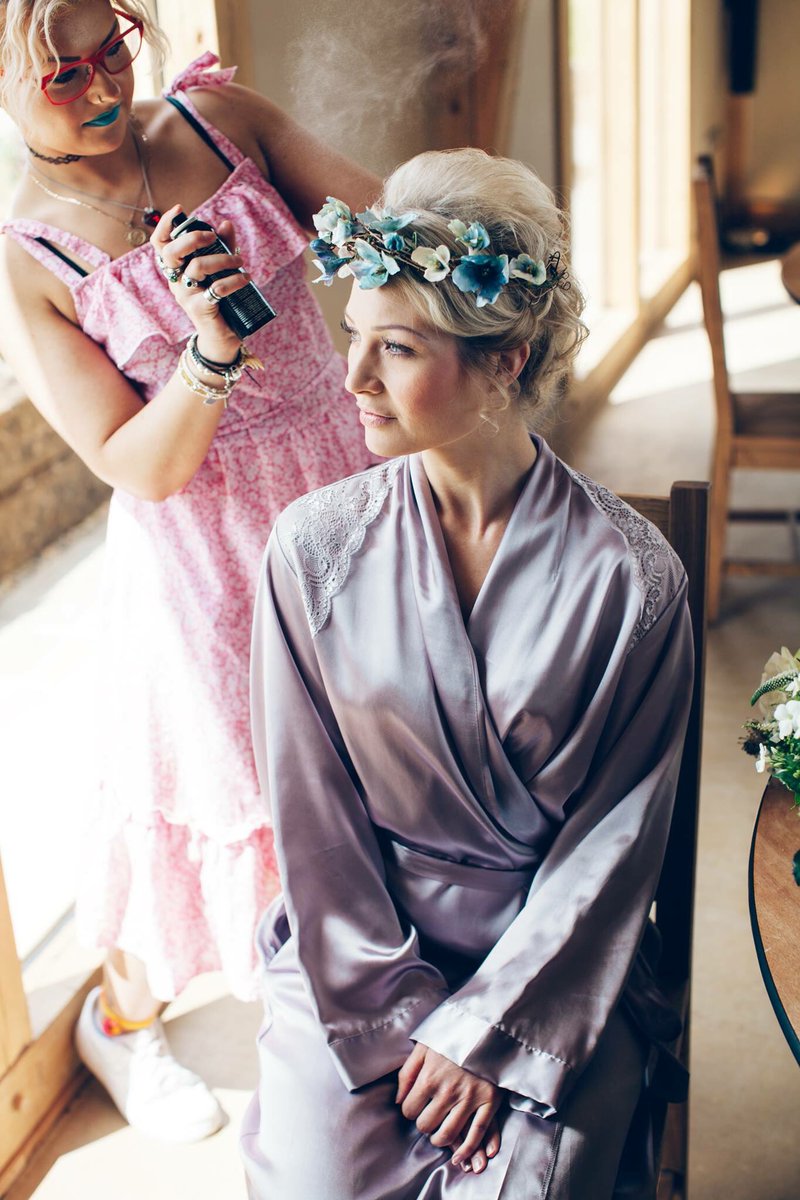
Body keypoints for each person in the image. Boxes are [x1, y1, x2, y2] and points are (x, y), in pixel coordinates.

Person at [243, 148, 694, 1198]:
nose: (353, 379)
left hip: (550, 977)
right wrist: (399, 1019)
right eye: (353, 338)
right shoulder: (310, 550)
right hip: (351, 963)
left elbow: (613, 846)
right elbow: (312, 825)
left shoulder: (634, 583)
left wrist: (486, 1029)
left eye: (395, 348)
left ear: (507, 356)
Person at [0, 0, 377, 1142]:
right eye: (59, 71)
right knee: (229, 795)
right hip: (205, 557)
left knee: (363, 760)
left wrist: (423, 247)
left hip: (342, 490)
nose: (101, 82)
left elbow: (376, 227)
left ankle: (347, 999)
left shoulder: (219, 121)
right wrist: (210, 356)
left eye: (109, 47)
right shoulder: (29, 258)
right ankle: (123, 1023)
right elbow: (133, 464)